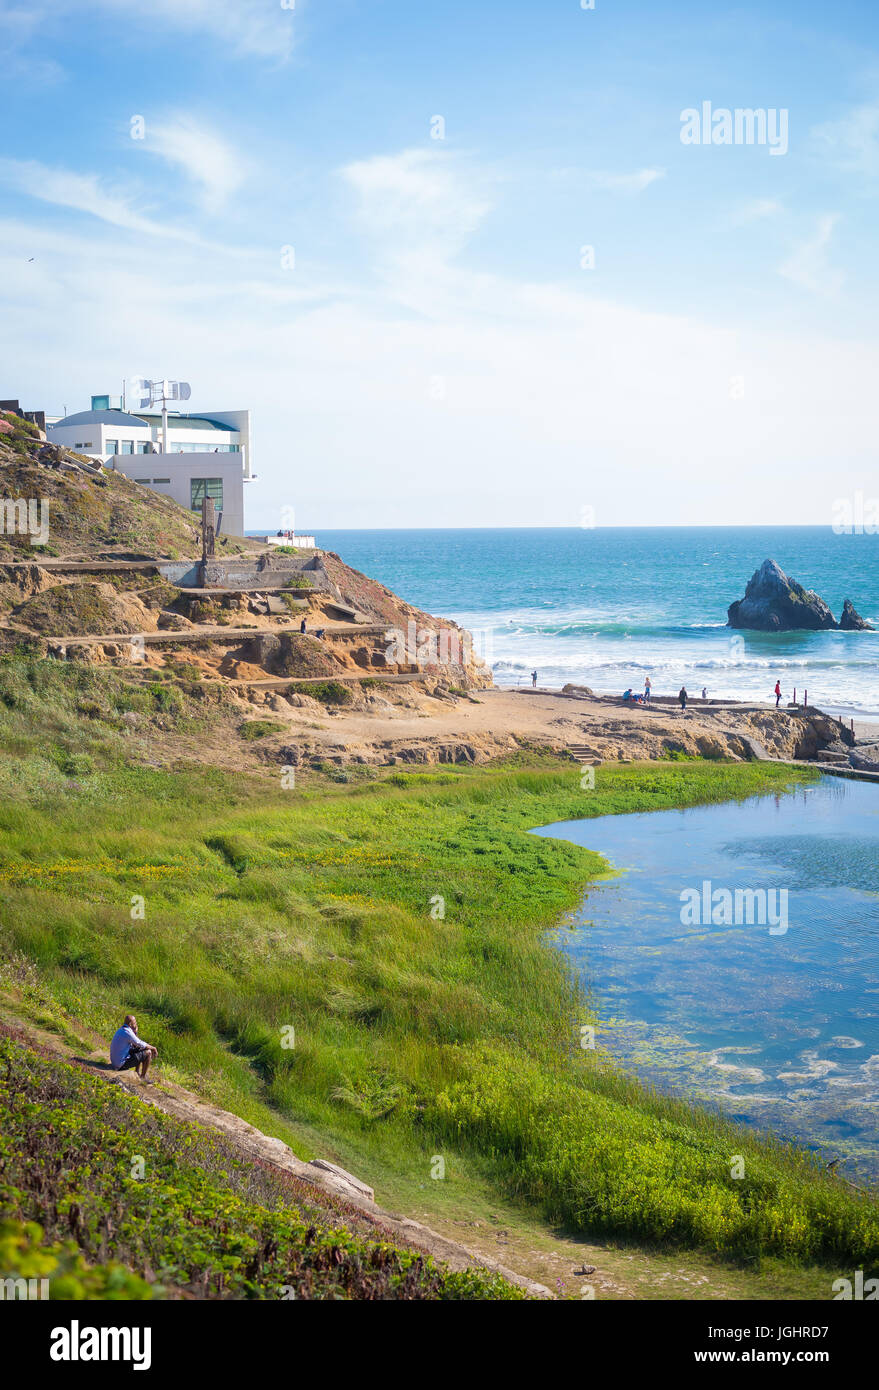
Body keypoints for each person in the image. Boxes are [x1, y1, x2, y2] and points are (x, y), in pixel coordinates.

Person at [110, 1014, 157, 1081]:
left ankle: (137, 1072)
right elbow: (140, 1043)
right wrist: (153, 1048)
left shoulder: (121, 1029)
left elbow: (136, 1045)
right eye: (135, 1022)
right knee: (148, 1052)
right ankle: (143, 1077)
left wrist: (135, 1032)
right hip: (120, 1065)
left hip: (115, 1062)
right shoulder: (128, 1032)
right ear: (130, 1024)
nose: (136, 1024)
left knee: (139, 1049)